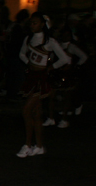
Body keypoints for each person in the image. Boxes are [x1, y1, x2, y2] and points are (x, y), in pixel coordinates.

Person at [16, 12, 70, 158]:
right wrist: (29, 64)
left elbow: (65, 59)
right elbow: (21, 54)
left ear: (42, 24)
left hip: (42, 79)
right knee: (36, 114)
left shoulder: (50, 41)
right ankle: (39, 146)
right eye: (31, 23)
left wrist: (51, 68)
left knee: (26, 110)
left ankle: (27, 144)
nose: (31, 25)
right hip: (32, 77)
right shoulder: (28, 39)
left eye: (35, 23)